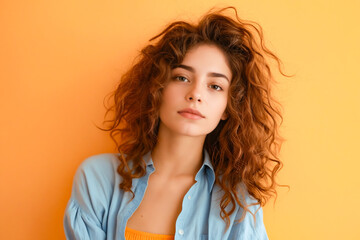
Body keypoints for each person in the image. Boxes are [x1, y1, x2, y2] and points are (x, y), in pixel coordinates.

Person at [63, 6, 286, 240]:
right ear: (157, 88)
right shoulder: (98, 178)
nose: (195, 94)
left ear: (228, 108)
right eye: (182, 78)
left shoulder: (237, 203)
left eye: (215, 86)